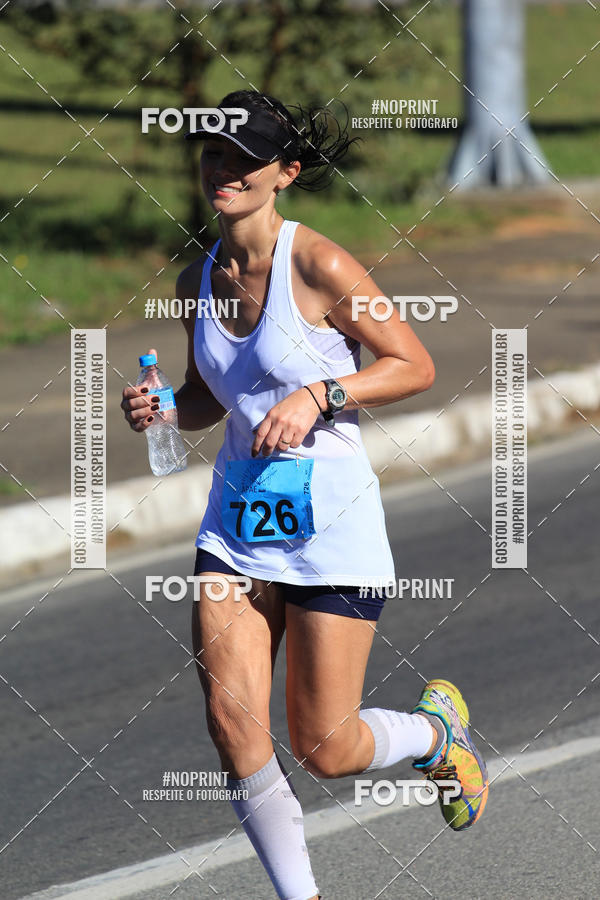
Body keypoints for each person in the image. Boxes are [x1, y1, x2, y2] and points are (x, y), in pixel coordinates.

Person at [122, 90, 488, 900]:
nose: (225, 171)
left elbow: (413, 363)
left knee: (326, 745)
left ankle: (435, 735)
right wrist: (165, 411)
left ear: (284, 173)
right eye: (214, 155)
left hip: (331, 530)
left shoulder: (317, 264)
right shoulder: (197, 279)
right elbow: (217, 395)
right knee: (233, 725)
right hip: (237, 529)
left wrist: (322, 394)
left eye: (245, 160)